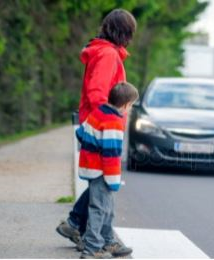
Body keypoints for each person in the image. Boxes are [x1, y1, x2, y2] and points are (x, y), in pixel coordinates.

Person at [55, 8, 136, 252]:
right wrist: (111, 120)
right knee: (103, 184)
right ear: (123, 32)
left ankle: (75, 224)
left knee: (98, 183)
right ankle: (100, 239)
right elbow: (97, 93)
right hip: (101, 127)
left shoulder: (106, 52)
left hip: (96, 124)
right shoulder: (108, 55)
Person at [76, 82, 139, 258]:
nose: (130, 109)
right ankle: (92, 248)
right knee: (99, 208)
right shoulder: (114, 122)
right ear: (125, 104)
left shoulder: (99, 111)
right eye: (131, 105)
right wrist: (113, 180)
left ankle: (108, 241)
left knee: (107, 207)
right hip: (102, 172)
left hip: (91, 167)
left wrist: (92, 146)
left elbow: (80, 133)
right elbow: (110, 154)